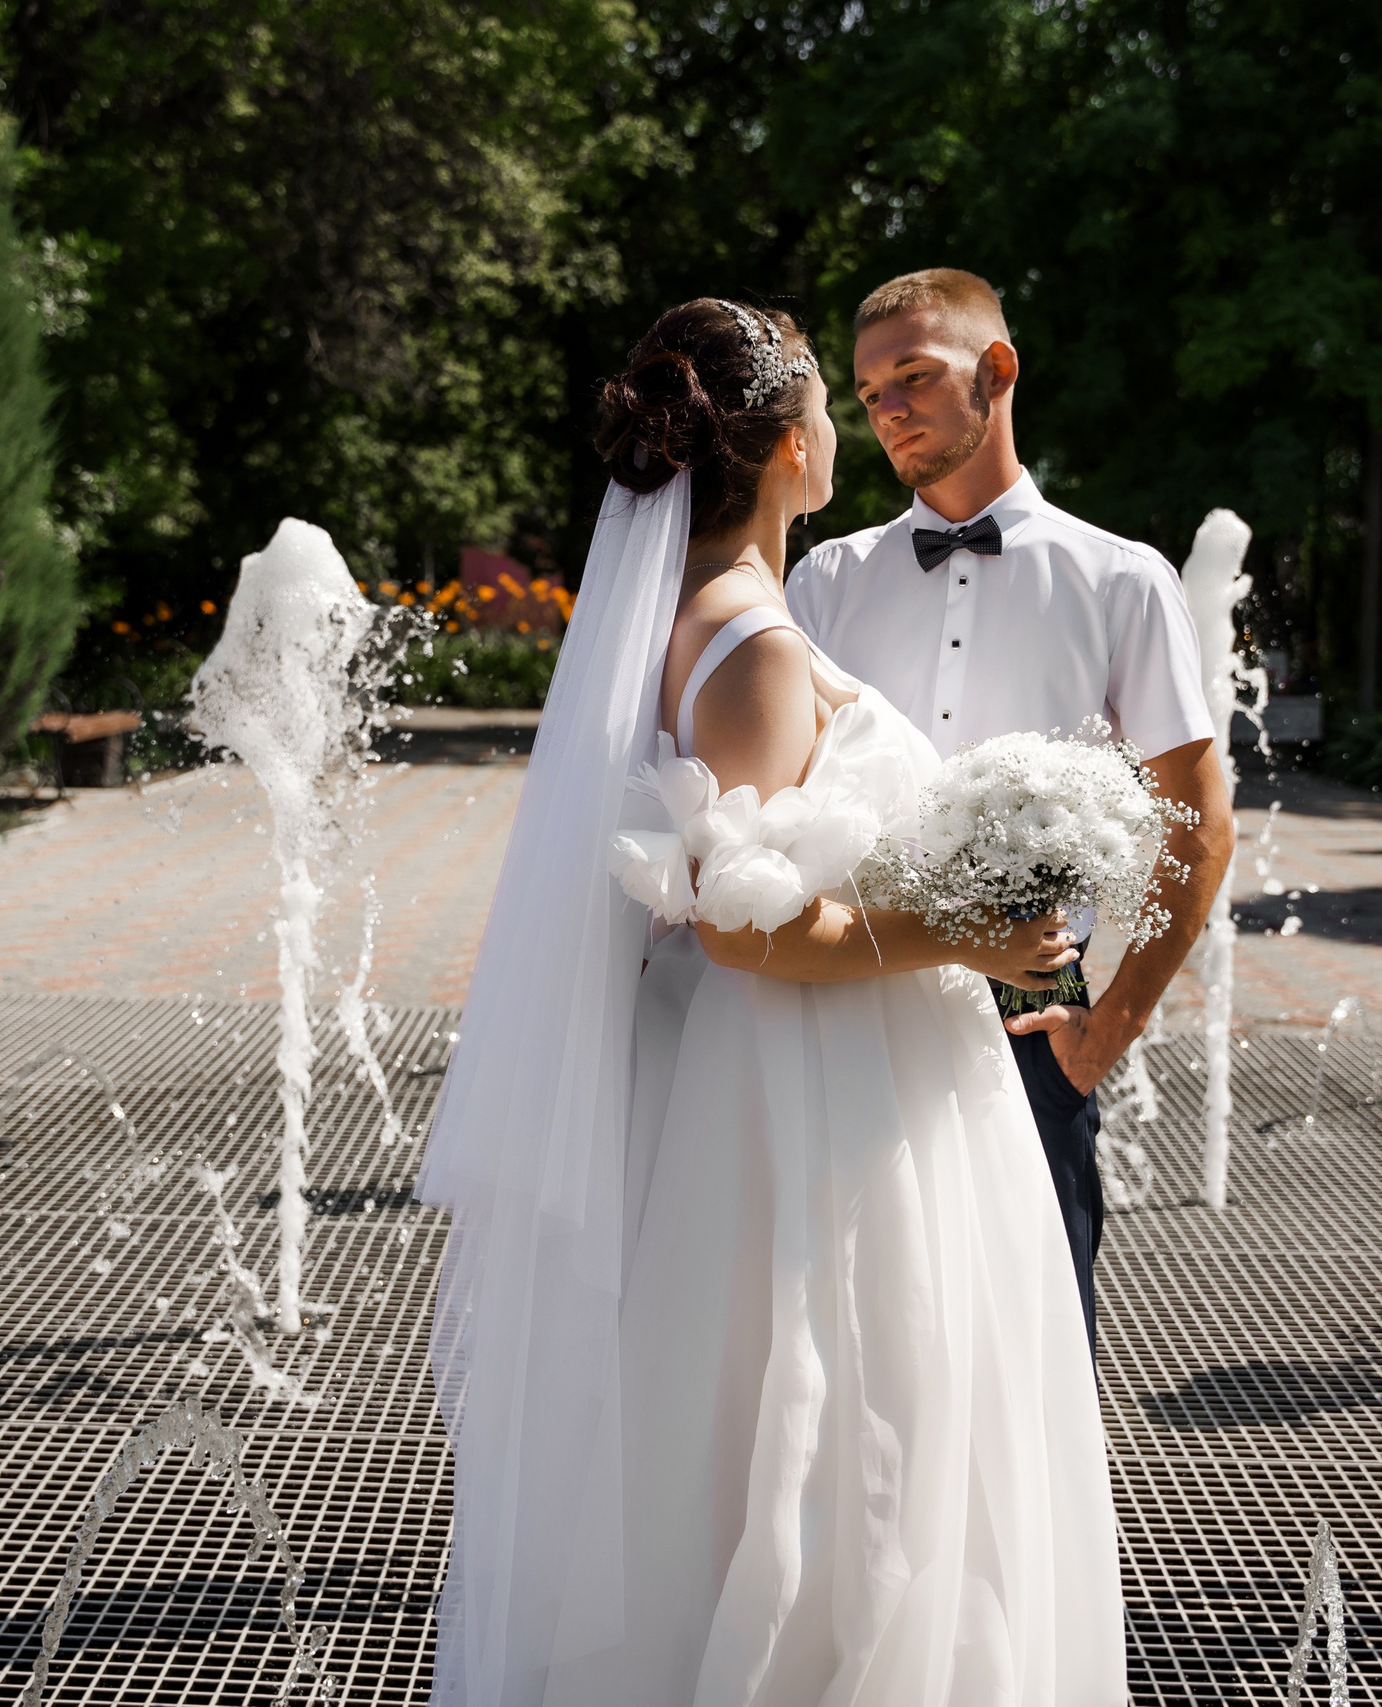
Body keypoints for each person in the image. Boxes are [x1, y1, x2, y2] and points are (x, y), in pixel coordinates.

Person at [420, 297, 1130, 1706]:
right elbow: (749, 931)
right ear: (787, 446)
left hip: (815, 1071)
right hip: (812, 1099)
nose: (844, 427)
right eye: (824, 403)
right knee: (839, 1434)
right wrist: (971, 935)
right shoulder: (745, 642)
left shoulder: (704, 619)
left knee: (806, 1431)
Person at [788, 268, 1235, 1339]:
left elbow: (1198, 821)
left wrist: (1104, 1029)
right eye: (869, 394)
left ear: (996, 369)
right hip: (853, 984)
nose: (888, 410)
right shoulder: (824, 584)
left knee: (1035, 1335)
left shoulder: (1120, 579)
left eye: (913, 377)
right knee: (853, 1334)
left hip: (1033, 1013)